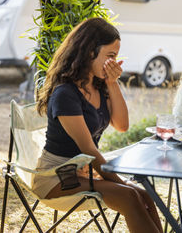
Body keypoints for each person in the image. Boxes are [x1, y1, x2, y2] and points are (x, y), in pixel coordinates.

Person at [33, 18, 162, 233]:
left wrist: (112, 83)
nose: (114, 63)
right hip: (56, 176)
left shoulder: (99, 85)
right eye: (110, 56)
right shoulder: (65, 94)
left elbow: (122, 125)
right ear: (89, 51)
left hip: (83, 173)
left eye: (116, 57)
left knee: (144, 194)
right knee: (129, 194)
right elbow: (89, 150)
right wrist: (121, 181)